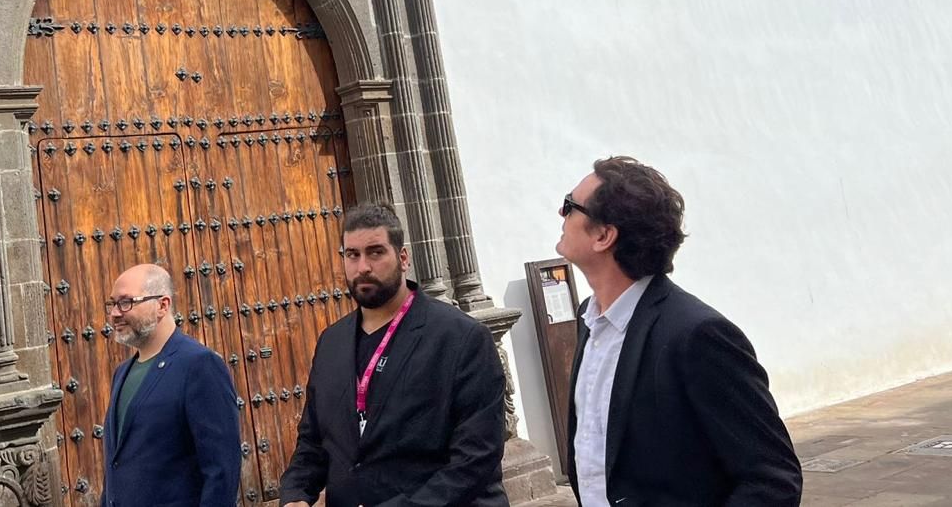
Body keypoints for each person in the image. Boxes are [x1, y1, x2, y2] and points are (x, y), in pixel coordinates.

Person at [559, 156, 802, 507]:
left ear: (603, 235)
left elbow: (773, 479)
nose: (561, 214)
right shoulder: (589, 318)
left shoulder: (697, 336)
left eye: (570, 206)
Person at [280, 205, 509, 507]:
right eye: (352, 255)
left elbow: (475, 459)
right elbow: (313, 441)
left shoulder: (460, 337)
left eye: (375, 252)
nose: (363, 267)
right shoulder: (331, 342)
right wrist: (296, 494)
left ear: (403, 258)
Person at [100, 263, 240, 507]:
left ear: (162, 305)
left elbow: (221, 468)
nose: (115, 313)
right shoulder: (122, 373)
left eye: (126, 302)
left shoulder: (199, 365)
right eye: (112, 304)